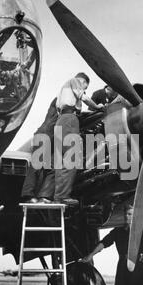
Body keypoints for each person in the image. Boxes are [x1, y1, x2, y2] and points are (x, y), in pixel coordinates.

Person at [53, 73, 104, 206]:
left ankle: (59, 196)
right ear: (83, 81)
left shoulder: (63, 92)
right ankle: (62, 196)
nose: (84, 88)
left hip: (61, 121)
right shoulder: (75, 81)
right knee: (73, 157)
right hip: (70, 120)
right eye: (85, 86)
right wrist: (97, 107)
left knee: (63, 160)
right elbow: (84, 97)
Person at [21, 97, 58, 203]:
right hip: (45, 135)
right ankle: (28, 195)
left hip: (53, 139)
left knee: (53, 167)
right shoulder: (62, 99)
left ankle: (44, 195)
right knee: (36, 165)